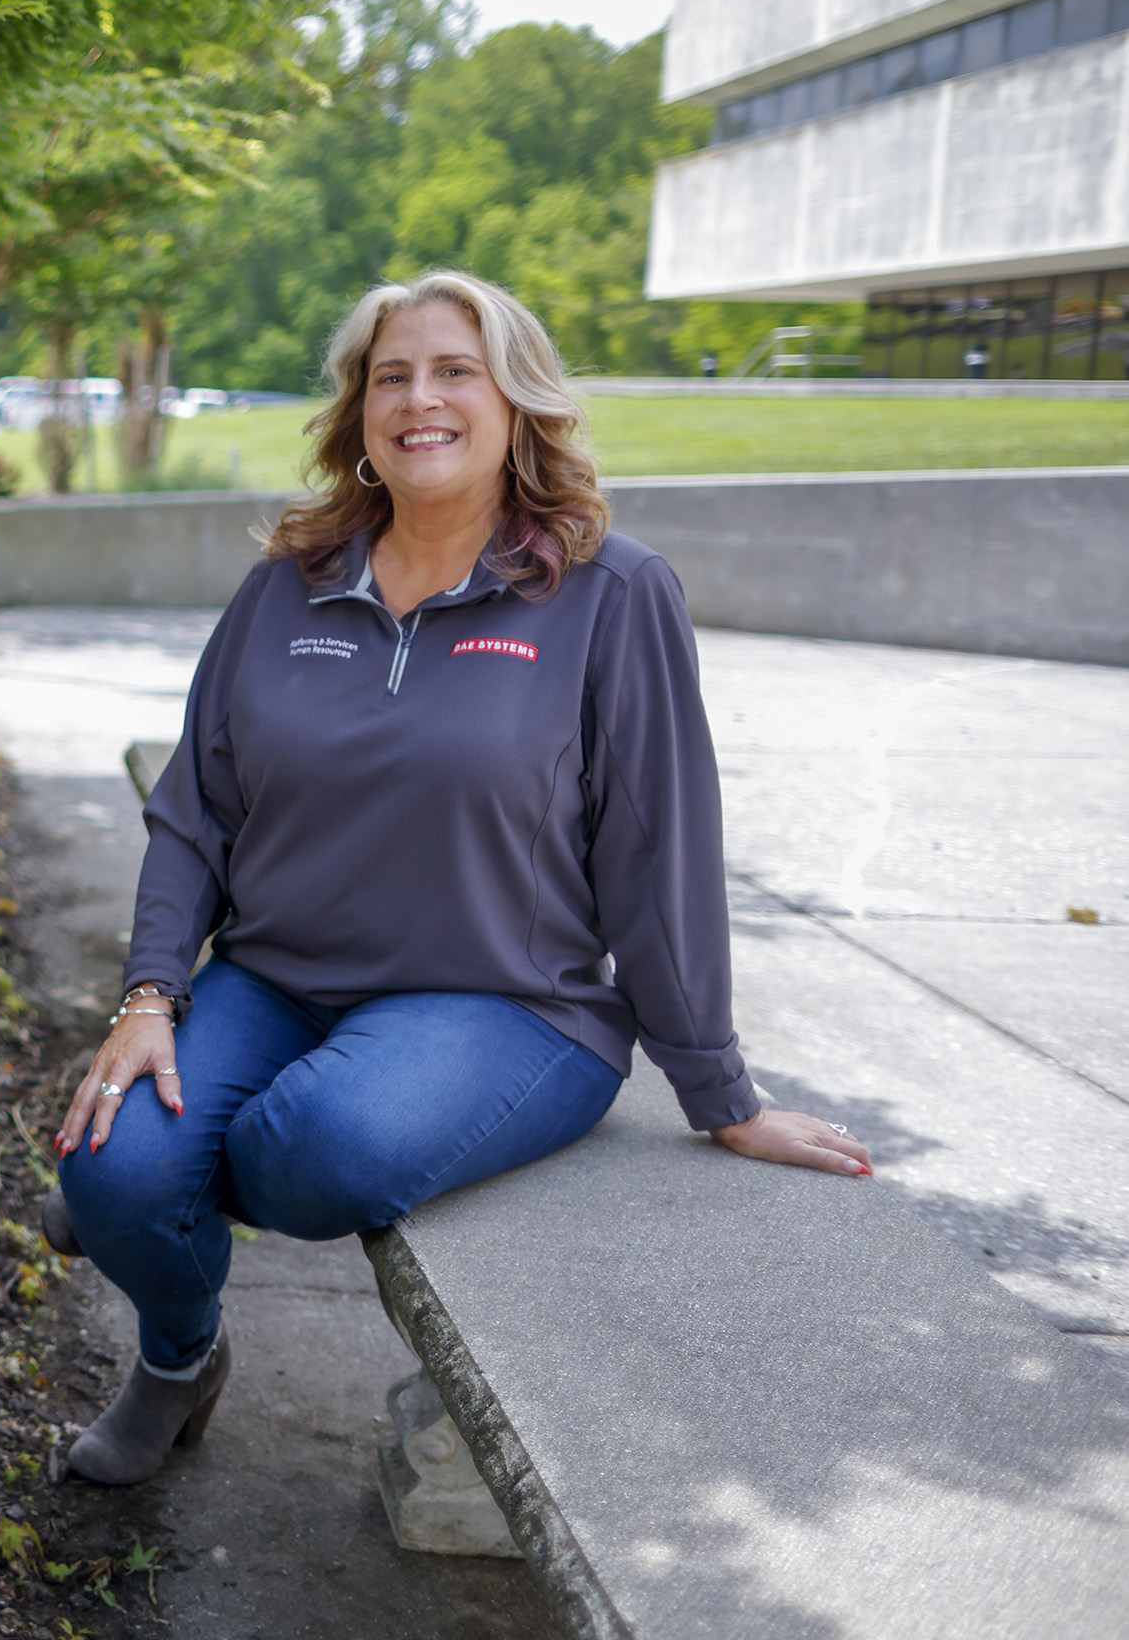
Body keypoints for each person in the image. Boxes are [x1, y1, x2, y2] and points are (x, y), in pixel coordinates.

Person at [47, 270, 873, 1489]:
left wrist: (719, 1092)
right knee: (109, 1160)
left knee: (317, 1148)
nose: (417, 397)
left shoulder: (609, 593)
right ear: (358, 412)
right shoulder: (287, 584)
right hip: (275, 977)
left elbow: (659, 850)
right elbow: (194, 813)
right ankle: (179, 1356)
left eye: (454, 370)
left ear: (515, 401)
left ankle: (146, 1218)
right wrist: (150, 994)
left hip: (506, 1002)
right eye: (390, 374)